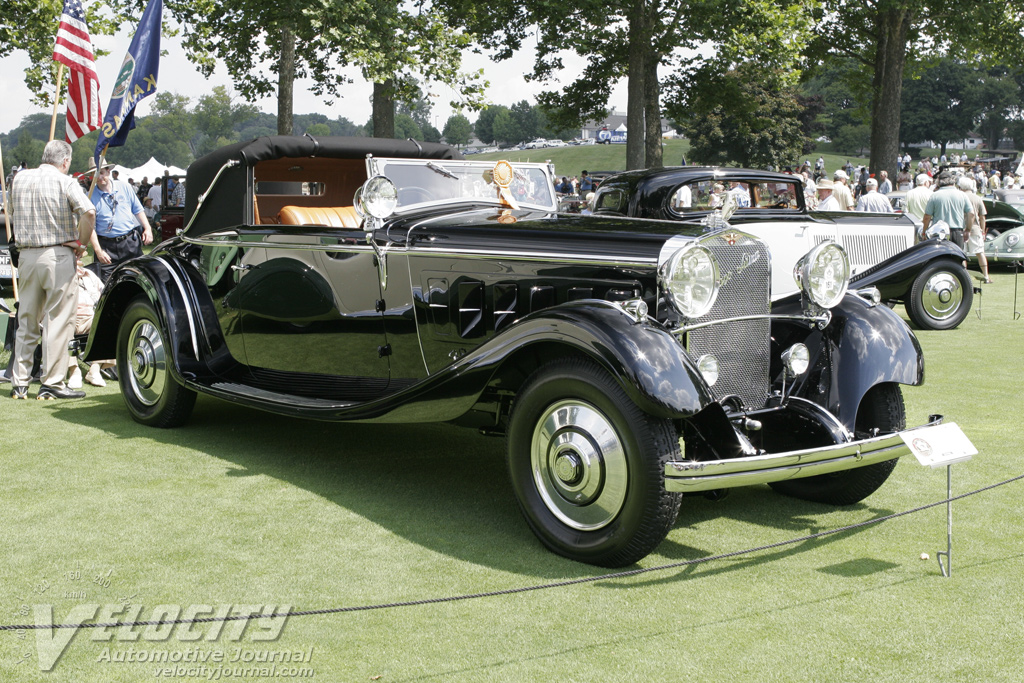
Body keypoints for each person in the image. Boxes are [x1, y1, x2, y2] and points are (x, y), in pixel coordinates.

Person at [8, 140, 96, 400]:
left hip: (25, 255)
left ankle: (20, 383)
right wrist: (80, 243)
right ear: (65, 161)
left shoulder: (20, 179)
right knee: (58, 321)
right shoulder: (65, 181)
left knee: (27, 318)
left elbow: (12, 214)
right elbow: (89, 212)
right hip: (57, 255)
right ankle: (52, 383)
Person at [88, 159, 154, 282]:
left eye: (101, 172)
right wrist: (98, 251)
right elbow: (90, 228)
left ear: (108, 171)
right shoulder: (90, 197)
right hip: (106, 247)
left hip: (129, 243)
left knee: (139, 279)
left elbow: (138, 210)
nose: (99, 177)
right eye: (95, 174)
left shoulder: (125, 187)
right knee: (106, 285)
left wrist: (148, 228)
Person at [922, 170, 974, 248]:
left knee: (939, 257)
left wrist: (924, 232)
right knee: (958, 258)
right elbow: (971, 214)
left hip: (939, 232)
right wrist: (968, 230)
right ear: (952, 181)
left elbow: (927, 217)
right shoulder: (962, 195)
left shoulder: (935, 196)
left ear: (939, 182)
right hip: (957, 231)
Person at [958, 176, 992, 283]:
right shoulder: (977, 198)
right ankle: (986, 276)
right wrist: (982, 230)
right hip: (975, 228)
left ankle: (964, 278)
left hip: (961, 228)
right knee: (980, 253)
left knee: (962, 255)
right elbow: (982, 217)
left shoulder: (959, 197)